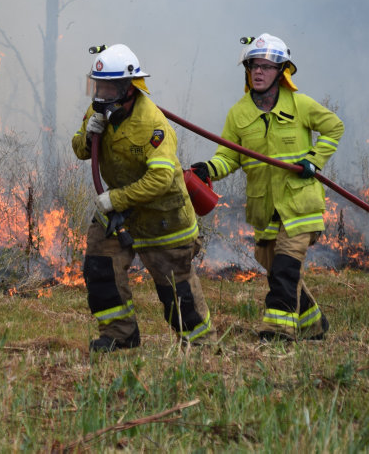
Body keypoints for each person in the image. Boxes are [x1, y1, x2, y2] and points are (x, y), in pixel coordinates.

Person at [191, 33, 344, 342]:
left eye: (265, 66)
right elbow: (229, 156)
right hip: (266, 209)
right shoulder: (239, 114)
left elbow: (333, 127)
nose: (257, 72)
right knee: (278, 272)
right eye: (253, 66)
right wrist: (209, 168)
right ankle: (314, 324)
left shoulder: (299, 105)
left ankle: (278, 330)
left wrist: (314, 159)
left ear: (281, 71)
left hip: (299, 206)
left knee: (286, 268)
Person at [72, 44, 212, 352]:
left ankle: (201, 344)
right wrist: (88, 134)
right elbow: (81, 150)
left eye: (109, 87)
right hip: (120, 209)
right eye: (99, 85)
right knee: (100, 266)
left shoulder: (153, 123)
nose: (102, 93)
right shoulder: (97, 109)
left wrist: (116, 199)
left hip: (163, 215)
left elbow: (161, 179)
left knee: (176, 292)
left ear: (128, 88)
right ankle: (120, 335)